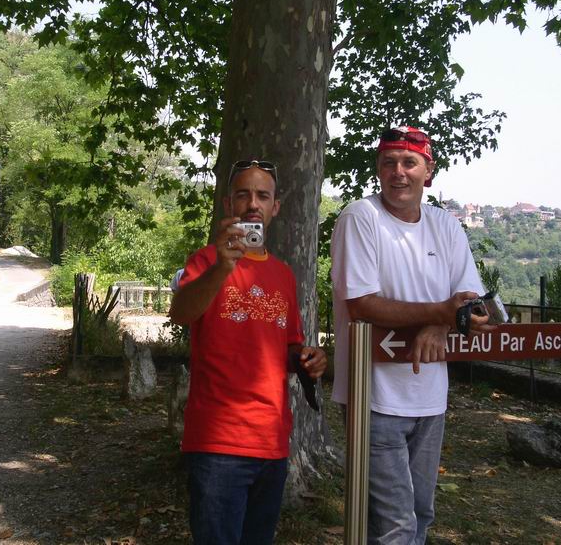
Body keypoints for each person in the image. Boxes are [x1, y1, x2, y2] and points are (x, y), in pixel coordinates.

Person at [330, 126, 494, 544]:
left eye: (409, 163)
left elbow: (471, 301)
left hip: (431, 398)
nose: (398, 172)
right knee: (395, 525)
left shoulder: (445, 224)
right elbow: (361, 304)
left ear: (428, 171)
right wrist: (441, 311)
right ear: (378, 169)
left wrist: (441, 323)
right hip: (374, 398)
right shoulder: (361, 217)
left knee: (420, 515)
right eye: (389, 163)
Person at [169, 159, 326, 545]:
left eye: (262, 196)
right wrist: (222, 267)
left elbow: (289, 346)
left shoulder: (284, 274)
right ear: (228, 204)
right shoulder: (205, 261)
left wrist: (308, 358)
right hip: (218, 441)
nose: (253, 204)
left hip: (272, 440)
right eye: (243, 195)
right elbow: (181, 312)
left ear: (275, 207)